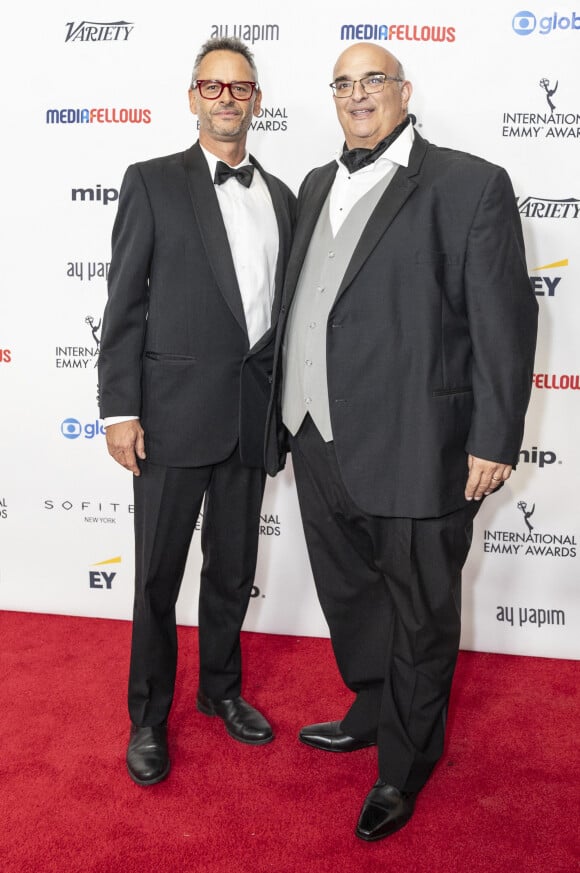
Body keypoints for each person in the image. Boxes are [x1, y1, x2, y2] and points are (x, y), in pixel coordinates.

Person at [265, 42, 537, 840]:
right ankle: (374, 707)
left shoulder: (469, 183)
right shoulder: (316, 182)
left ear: (404, 90)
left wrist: (495, 435)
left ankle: (406, 764)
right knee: (351, 593)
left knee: (420, 609)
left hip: (422, 442)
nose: (358, 96)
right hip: (314, 434)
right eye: (344, 84)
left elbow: (504, 325)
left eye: (373, 81)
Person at [98, 36, 295, 786]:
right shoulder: (151, 182)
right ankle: (148, 716)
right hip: (171, 414)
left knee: (234, 568)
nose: (226, 98)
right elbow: (123, 306)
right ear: (192, 97)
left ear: (255, 100)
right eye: (212, 87)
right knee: (156, 576)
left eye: (239, 87)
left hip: (251, 416)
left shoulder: (281, 196)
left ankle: (220, 690)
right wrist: (120, 408)